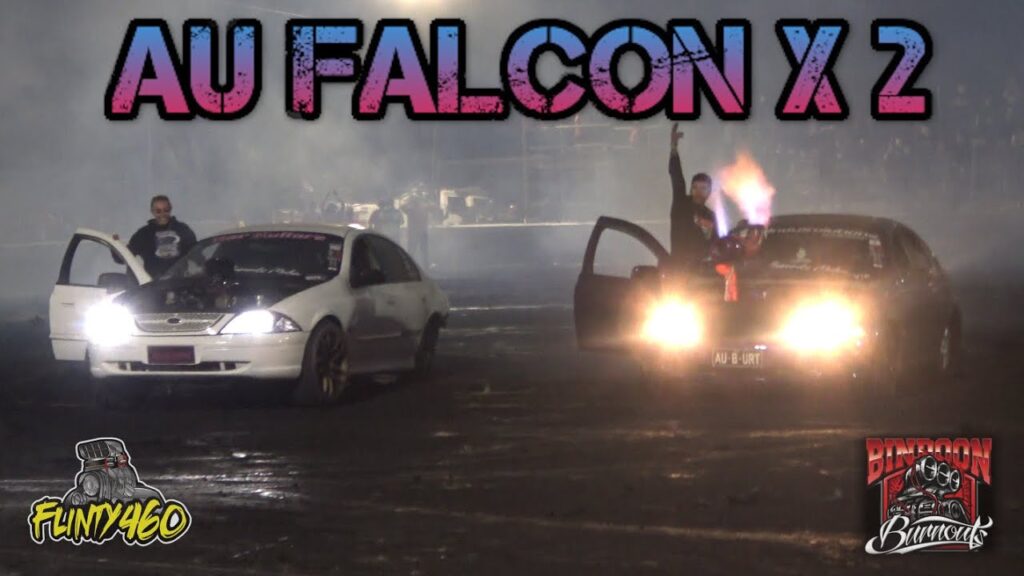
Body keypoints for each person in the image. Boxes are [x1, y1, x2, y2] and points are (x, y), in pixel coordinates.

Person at [669, 123, 718, 267]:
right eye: (695, 187)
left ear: (709, 191)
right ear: (690, 189)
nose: (698, 191)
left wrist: (709, 230)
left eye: (703, 188)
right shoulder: (681, 204)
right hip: (678, 269)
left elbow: (716, 247)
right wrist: (673, 147)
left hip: (702, 272)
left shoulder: (711, 216)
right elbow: (677, 177)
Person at [128, 195, 197, 278]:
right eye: (158, 211)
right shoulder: (143, 234)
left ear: (170, 209)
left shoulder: (182, 229)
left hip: (181, 282)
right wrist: (116, 243)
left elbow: (196, 255)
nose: (162, 214)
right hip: (156, 283)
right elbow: (123, 258)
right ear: (152, 211)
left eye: (166, 210)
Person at [401, 191, 431, 266]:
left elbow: (402, 206)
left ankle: (409, 265)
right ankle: (425, 265)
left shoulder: (411, 209)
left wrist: (408, 198)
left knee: (412, 250)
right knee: (423, 251)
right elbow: (433, 207)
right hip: (422, 232)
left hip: (414, 233)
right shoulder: (423, 208)